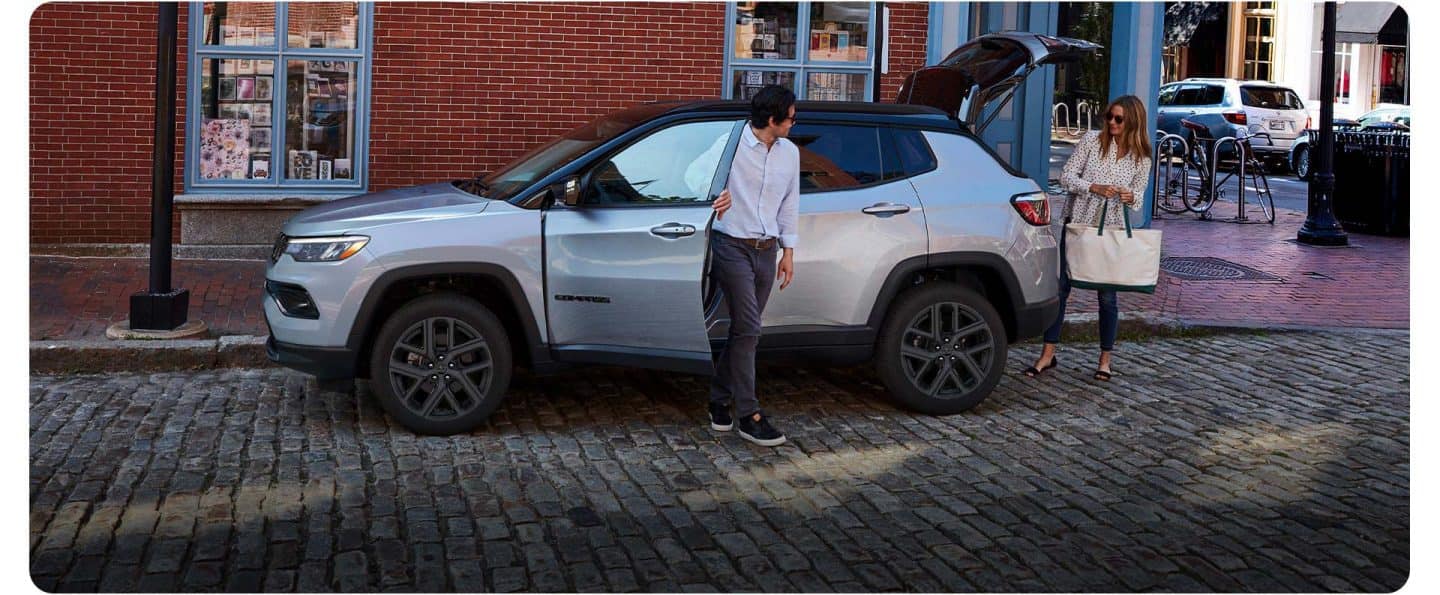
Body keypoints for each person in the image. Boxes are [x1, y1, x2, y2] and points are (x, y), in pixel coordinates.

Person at [1026, 95, 1152, 382]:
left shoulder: (1141, 157)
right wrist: (1093, 187)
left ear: (1133, 122)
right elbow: (1066, 177)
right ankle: (1047, 354)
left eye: (1119, 119)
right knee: (1062, 289)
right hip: (1078, 224)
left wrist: (1128, 195)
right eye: (1109, 116)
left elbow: (1139, 198)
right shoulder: (1092, 141)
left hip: (1111, 230)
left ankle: (1105, 360)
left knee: (1107, 297)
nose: (1112, 123)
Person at [706, 84, 799, 447]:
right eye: (789, 118)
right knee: (749, 328)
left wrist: (788, 251)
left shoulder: (790, 153)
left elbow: (790, 201)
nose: (793, 123)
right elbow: (694, 175)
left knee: (744, 331)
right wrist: (715, 195)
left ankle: (718, 399)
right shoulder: (731, 144)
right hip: (731, 245)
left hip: (767, 249)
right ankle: (749, 415)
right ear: (771, 119)